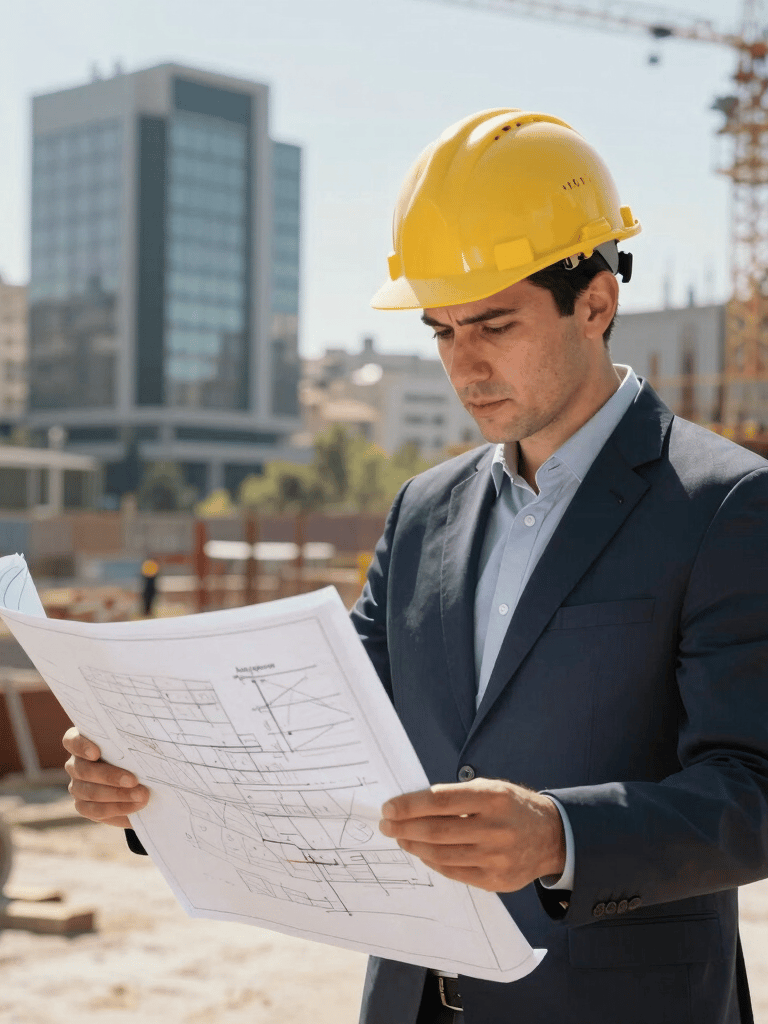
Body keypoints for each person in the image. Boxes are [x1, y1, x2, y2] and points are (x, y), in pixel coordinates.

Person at [63, 109, 768, 1024]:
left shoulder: (723, 503)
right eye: (440, 330)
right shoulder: (424, 508)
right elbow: (315, 730)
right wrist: (150, 780)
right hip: (409, 1001)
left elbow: (752, 787)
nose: (462, 365)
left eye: (493, 324)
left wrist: (562, 837)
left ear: (595, 302)